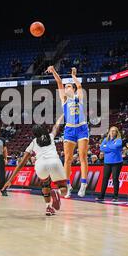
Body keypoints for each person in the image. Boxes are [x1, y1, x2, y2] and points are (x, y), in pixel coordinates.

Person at [2, 116, 67, 216]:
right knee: (63, 188)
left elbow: (21, 163)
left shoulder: (33, 143)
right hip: (54, 162)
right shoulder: (50, 136)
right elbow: (56, 127)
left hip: (41, 165)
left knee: (45, 185)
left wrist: (10, 179)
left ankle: (48, 207)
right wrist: (61, 117)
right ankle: (57, 193)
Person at [46, 65, 89, 198]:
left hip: (81, 128)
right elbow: (59, 82)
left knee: (82, 156)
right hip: (70, 129)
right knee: (68, 159)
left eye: (69, 86)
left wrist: (73, 76)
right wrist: (53, 71)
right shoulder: (64, 99)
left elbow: (80, 87)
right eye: (66, 87)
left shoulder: (79, 96)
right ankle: (68, 186)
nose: (66, 88)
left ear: (73, 89)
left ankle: (83, 184)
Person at [96, 126, 123, 202]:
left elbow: (116, 147)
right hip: (107, 162)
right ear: (109, 132)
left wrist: (107, 147)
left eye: (114, 131)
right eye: (111, 131)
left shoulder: (119, 140)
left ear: (116, 132)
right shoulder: (105, 139)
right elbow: (101, 148)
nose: (112, 132)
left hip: (117, 162)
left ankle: (115, 196)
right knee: (105, 179)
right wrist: (111, 147)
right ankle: (101, 196)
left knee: (115, 179)